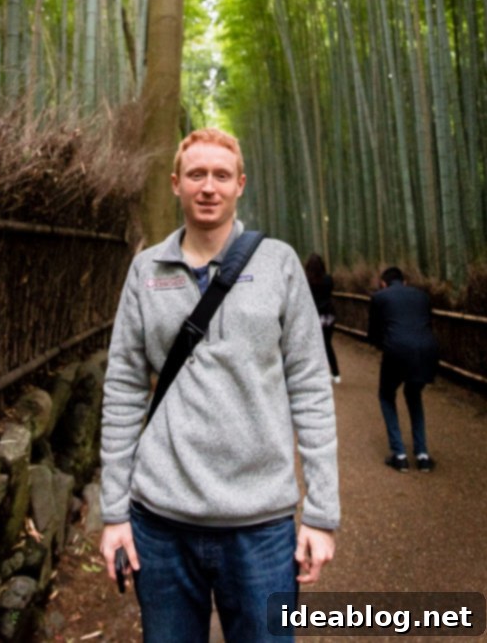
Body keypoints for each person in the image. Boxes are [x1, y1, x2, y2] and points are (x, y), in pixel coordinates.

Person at [98, 128, 339, 643]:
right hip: (160, 523)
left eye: (221, 176)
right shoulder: (146, 270)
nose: (209, 187)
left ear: (240, 185)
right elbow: (122, 390)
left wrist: (321, 514)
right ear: (175, 184)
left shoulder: (279, 264)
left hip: (262, 526)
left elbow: (312, 388)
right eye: (197, 175)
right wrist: (114, 512)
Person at [367, 266, 439, 473]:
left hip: (397, 350)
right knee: (414, 394)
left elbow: (373, 333)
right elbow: (426, 325)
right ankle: (422, 455)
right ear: (404, 281)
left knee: (386, 395)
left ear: (383, 283)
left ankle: (399, 454)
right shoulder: (422, 296)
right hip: (427, 350)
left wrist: (384, 345)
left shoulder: (380, 297)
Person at [305, 253, 341, 383]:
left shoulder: (306, 280)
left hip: (315, 315)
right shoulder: (328, 279)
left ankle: (319, 373)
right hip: (329, 314)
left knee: (314, 345)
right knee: (327, 344)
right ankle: (336, 374)